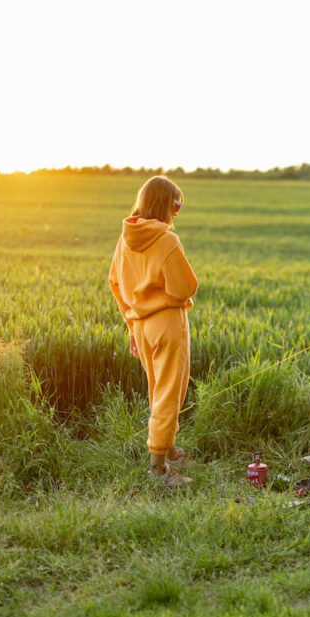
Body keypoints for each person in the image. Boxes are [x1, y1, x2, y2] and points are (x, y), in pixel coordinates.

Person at [109, 176, 198, 486]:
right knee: (169, 393)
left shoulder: (126, 239)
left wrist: (133, 325)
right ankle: (159, 470)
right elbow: (186, 287)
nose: (178, 211)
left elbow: (115, 283)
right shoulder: (167, 241)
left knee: (158, 390)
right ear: (164, 205)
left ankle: (169, 449)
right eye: (177, 205)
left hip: (142, 326)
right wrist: (180, 297)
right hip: (167, 324)